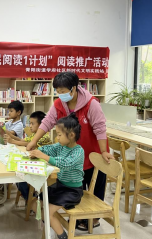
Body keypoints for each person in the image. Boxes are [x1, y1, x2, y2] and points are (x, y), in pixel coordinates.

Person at [27, 72, 113, 230]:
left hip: (93, 152)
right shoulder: (59, 104)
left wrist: (103, 151)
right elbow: (47, 122)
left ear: (74, 88)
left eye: (63, 91)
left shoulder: (91, 103)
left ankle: (93, 219)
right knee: (76, 184)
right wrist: (34, 141)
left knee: (94, 185)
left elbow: (100, 128)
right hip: (70, 153)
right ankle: (77, 215)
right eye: (57, 91)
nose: (60, 94)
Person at [30, 113, 84, 239]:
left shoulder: (78, 151)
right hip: (60, 186)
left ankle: (62, 236)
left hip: (72, 191)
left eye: (59, 135)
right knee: (34, 204)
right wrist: (38, 151)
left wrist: (44, 156)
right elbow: (49, 149)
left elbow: (65, 164)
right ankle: (51, 224)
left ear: (71, 135)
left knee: (47, 212)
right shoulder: (61, 146)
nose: (57, 138)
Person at [4, 111, 52, 201]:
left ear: (42, 125)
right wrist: (11, 137)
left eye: (32, 123)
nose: (30, 126)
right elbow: (22, 141)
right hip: (35, 160)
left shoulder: (45, 136)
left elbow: (28, 144)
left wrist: (12, 141)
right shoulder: (34, 135)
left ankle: (30, 199)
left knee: (20, 175)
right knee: (18, 173)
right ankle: (29, 196)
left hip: (43, 165)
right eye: (29, 123)